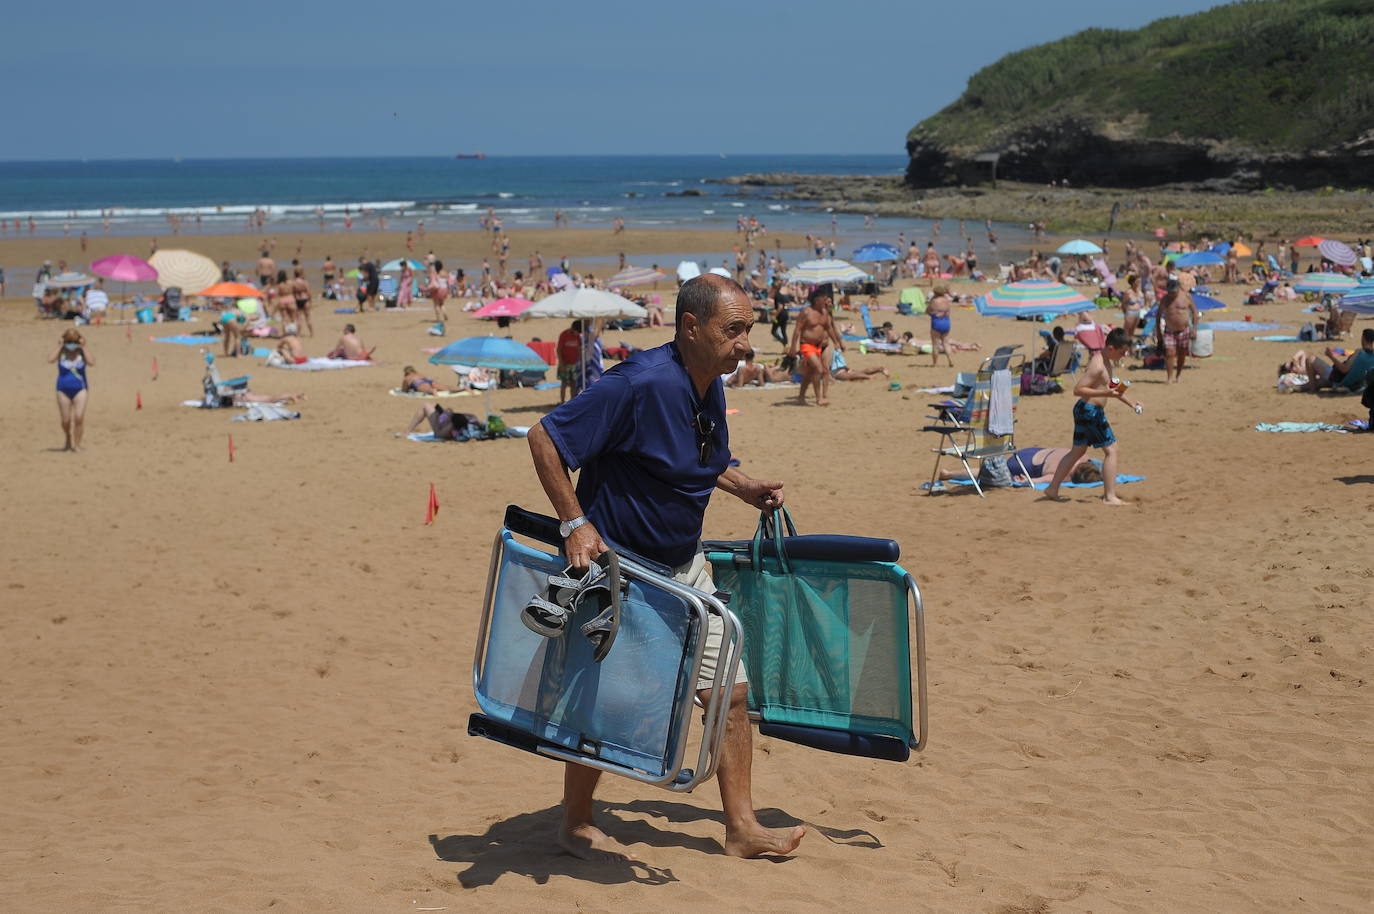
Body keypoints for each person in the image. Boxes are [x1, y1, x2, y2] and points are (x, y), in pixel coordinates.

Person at [526, 273, 805, 861]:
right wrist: (576, 524)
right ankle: (574, 821)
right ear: (691, 327)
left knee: (729, 693)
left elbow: (702, 459)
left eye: (748, 329)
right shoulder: (637, 384)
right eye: (734, 330)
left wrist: (745, 486)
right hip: (626, 573)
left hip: (686, 565)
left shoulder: (709, 383)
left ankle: (742, 828)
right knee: (603, 702)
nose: (746, 344)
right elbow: (545, 438)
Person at [1043, 328, 1142, 505]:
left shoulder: (1107, 361)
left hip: (1085, 410)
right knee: (1112, 451)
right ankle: (1109, 496)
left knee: (1077, 451)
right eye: (1122, 352)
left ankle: (1052, 488)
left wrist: (1131, 403)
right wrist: (1106, 393)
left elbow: (1111, 385)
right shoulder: (1097, 365)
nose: (1124, 355)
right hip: (1090, 412)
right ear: (1111, 348)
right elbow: (1077, 389)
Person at [787, 285, 843, 406]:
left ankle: (801, 397)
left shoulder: (825, 313)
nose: (827, 301)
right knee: (818, 369)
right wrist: (793, 347)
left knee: (810, 372)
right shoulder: (806, 312)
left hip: (819, 346)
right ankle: (819, 399)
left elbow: (829, 329)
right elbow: (797, 330)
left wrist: (836, 342)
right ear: (817, 300)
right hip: (806, 345)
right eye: (824, 299)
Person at [49, 328, 93, 452]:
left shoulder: (81, 352)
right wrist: (60, 345)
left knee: (79, 417)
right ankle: (68, 437)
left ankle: (77, 444)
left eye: (74, 341)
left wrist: (84, 346)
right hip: (62, 389)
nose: (71, 344)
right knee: (66, 420)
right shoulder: (62, 353)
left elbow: (91, 362)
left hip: (80, 389)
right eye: (69, 341)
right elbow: (50, 359)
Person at [1155, 275, 1199, 383]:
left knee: (1182, 353)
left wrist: (1194, 328)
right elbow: (1158, 316)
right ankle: (1169, 377)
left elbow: (1194, 312)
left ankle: (1178, 374)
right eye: (1170, 292)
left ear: (1178, 289)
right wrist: (1159, 335)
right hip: (1169, 330)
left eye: (1173, 292)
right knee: (1170, 353)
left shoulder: (1186, 296)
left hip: (1184, 329)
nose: (1171, 294)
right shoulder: (1165, 299)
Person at [726, 349, 792, 387]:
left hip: (729, 380)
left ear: (744, 357)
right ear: (753, 356)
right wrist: (751, 383)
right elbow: (762, 384)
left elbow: (739, 385)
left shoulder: (742, 369)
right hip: (740, 380)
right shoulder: (758, 368)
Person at [927, 285, 955, 367]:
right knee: (946, 343)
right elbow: (948, 311)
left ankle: (934, 363)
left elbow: (928, 311)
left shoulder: (934, 301)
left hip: (936, 322)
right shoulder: (946, 300)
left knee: (935, 344)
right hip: (946, 322)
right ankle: (950, 360)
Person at [557, 320, 583, 404]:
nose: (578, 334)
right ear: (573, 329)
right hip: (565, 363)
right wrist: (561, 364)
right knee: (564, 383)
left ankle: (573, 402)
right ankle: (562, 402)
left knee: (574, 384)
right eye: (577, 332)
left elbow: (579, 349)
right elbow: (559, 350)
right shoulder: (564, 335)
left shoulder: (579, 336)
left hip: (575, 364)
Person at [291, 267, 313, 337]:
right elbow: (308, 292)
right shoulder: (305, 282)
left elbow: (293, 293)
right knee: (308, 317)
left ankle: (298, 334)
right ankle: (311, 333)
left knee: (299, 318)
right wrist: (310, 300)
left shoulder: (293, 283)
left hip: (298, 300)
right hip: (305, 299)